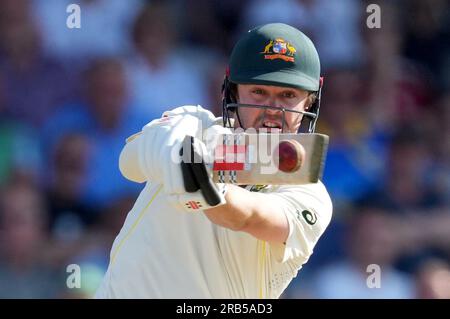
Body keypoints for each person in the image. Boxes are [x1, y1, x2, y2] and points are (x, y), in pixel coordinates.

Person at [95, 23, 332, 299]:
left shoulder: (309, 195)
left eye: (288, 96)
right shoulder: (194, 124)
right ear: (232, 93)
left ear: (309, 103)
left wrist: (203, 180)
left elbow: (247, 217)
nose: (272, 111)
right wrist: (179, 154)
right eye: (258, 92)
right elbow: (130, 164)